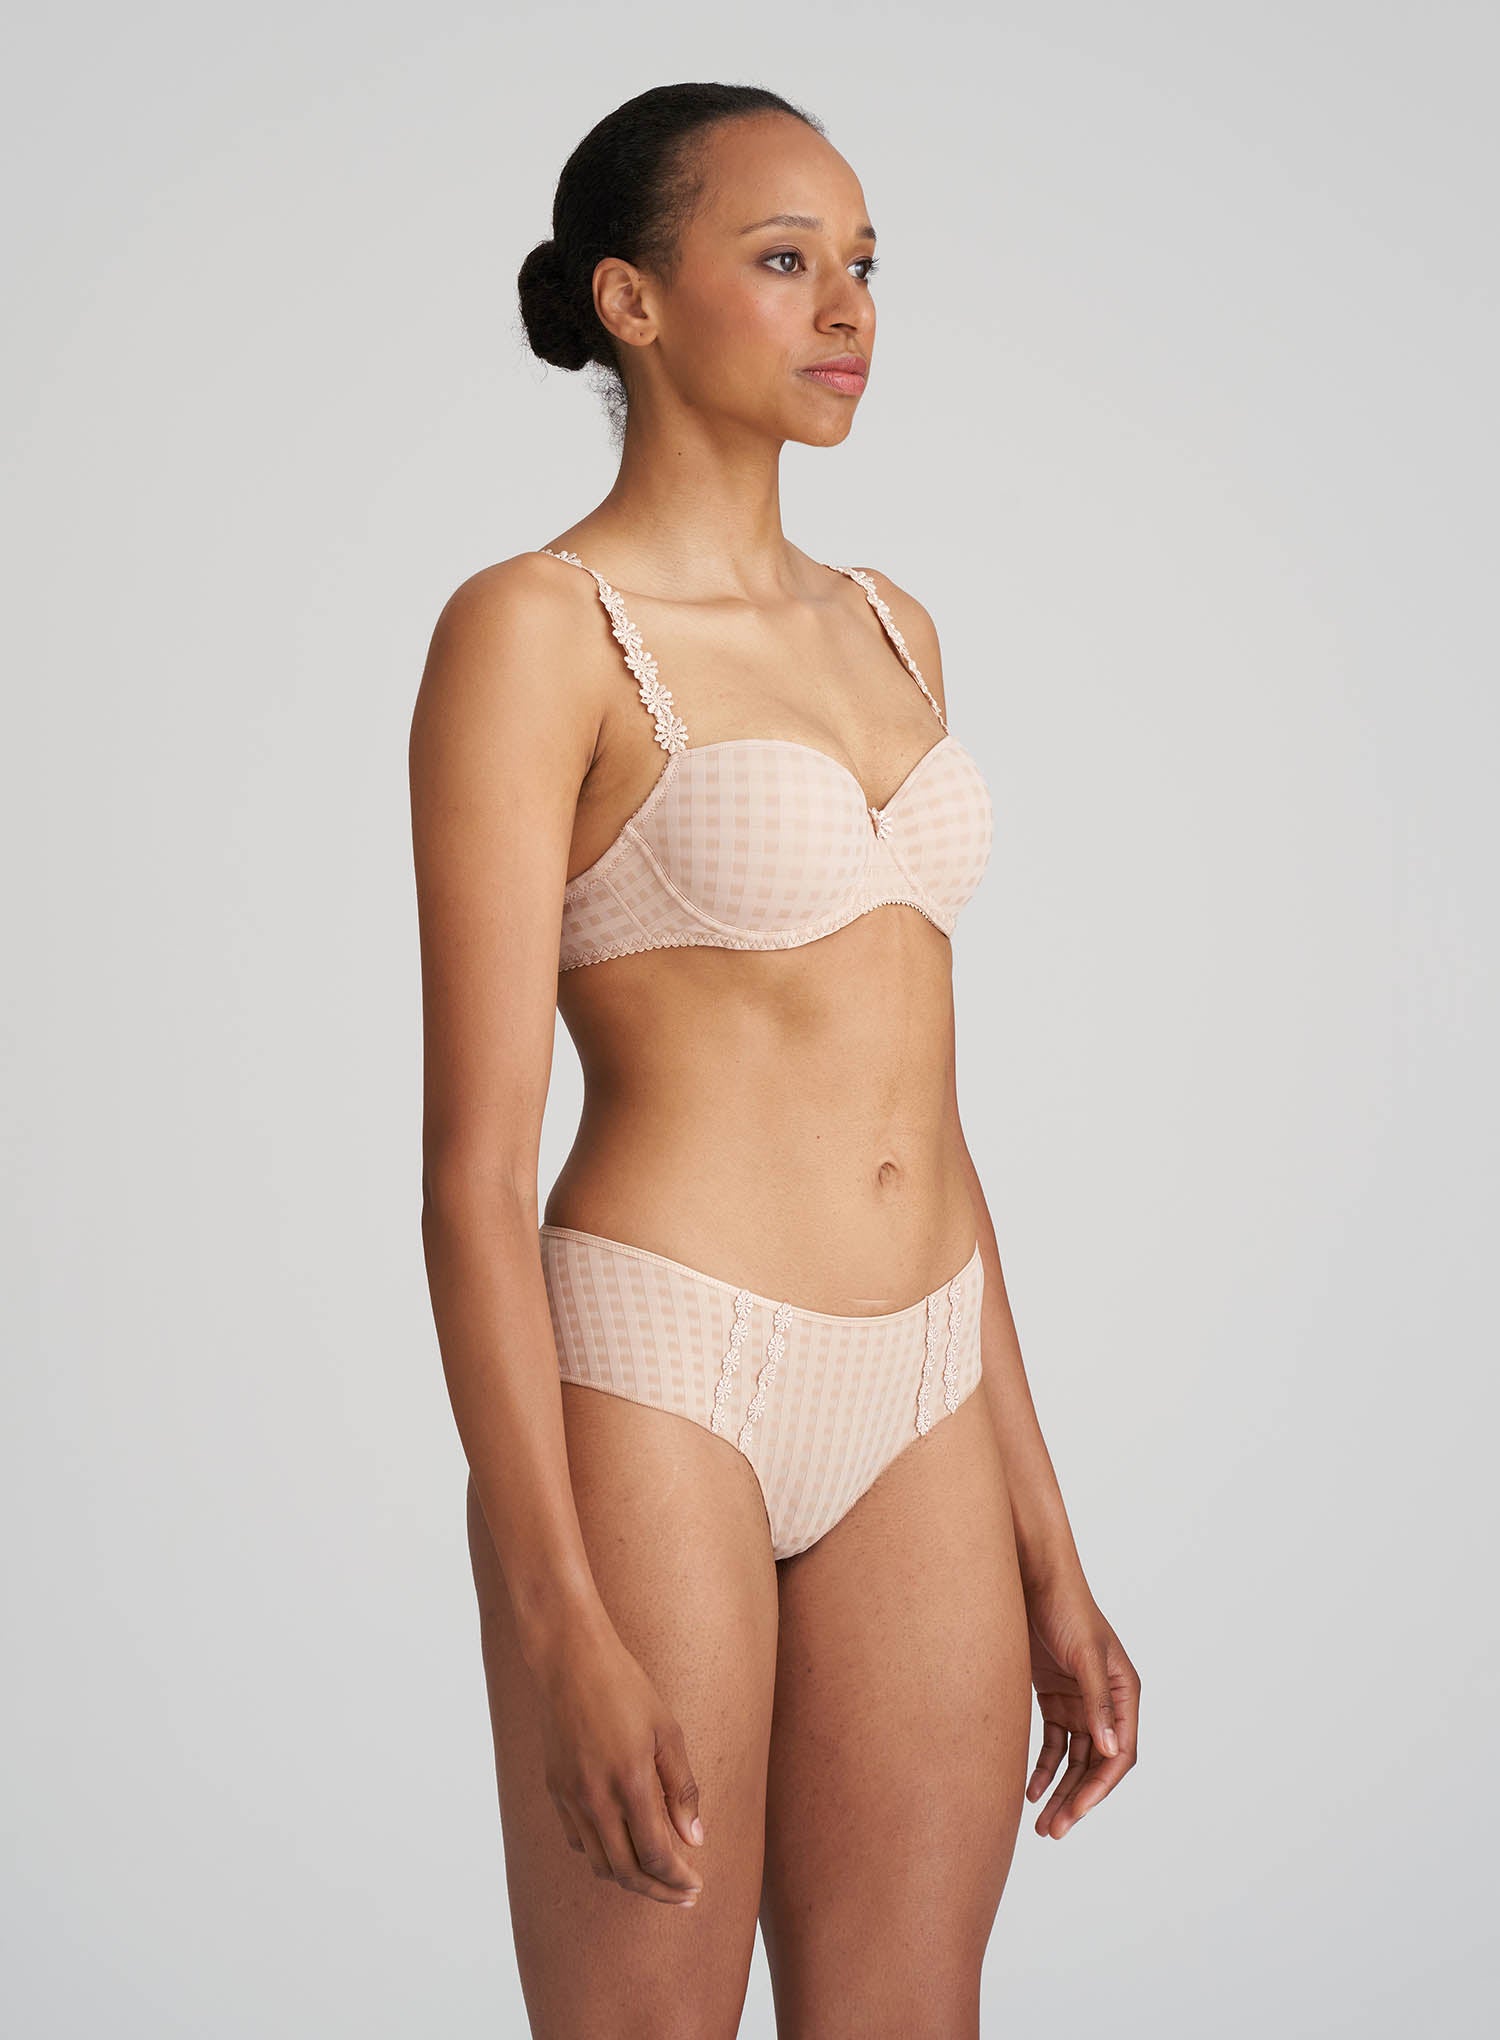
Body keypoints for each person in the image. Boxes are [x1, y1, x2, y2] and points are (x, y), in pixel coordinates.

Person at [409, 79, 1139, 2040]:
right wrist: (555, 1620)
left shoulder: (895, 624)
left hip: (924, 1389)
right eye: (787, 257)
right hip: (661, 1380)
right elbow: (472, 1177)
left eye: (867, 264)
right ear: (632, 301)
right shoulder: (534, 630)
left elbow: (931, 1121)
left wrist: (1051, 1548)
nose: (848, 308)